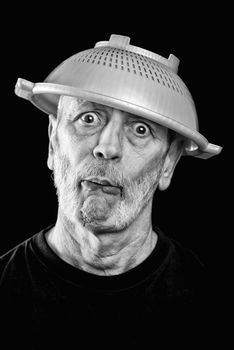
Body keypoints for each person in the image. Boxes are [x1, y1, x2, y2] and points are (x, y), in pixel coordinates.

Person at [0, 35, 222, 348]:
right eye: (88, 118)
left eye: (140, 130)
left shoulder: (212, 304)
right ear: (53, 140)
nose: (107, 147)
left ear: (169, 163)